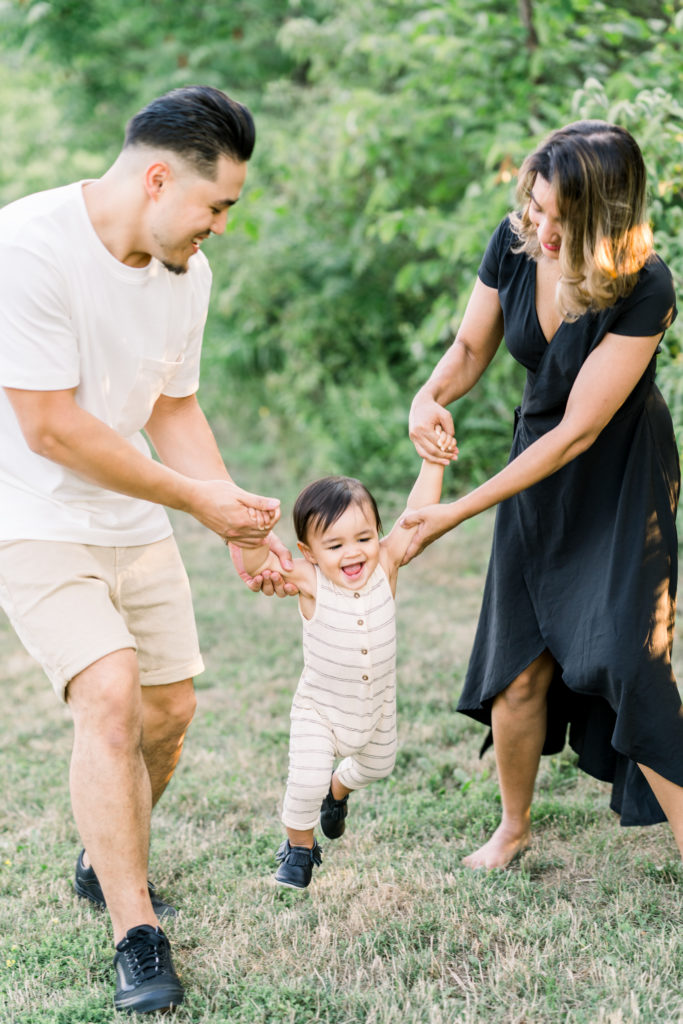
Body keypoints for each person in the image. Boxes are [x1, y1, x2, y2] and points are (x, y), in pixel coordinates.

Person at [0, 86, 290, 1014]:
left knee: (171, 712)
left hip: (134, 519)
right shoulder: (28, 247)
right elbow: (49, 428)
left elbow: (173, 407)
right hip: (34, 512)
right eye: (216, 206)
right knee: (113, 696)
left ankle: (102, 849)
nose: (219, 227)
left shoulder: (185, 275)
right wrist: (195, 501)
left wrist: (235, 523)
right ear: (159, 178)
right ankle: (136, 929)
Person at [402, 119, 683, 870]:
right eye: (534, 206)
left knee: (631, 659)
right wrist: (428, 397)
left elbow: (578, 434)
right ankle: (513, 827)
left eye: (561, 218)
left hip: (618, 476)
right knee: (519, 661)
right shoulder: (517, 240)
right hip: (534, 473)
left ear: (609, 216)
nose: (541, 227)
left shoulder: (645, 284)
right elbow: (469, 348)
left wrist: (453, 512)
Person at [234, 445, 452, 888]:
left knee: (378, 767)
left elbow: (416, 518)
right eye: (334, 545)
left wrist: (433, 462)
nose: (353, 554)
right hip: (321, 709)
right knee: (305, 781)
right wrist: (251, 534)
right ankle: (299, 848)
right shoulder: (310, 581)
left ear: (376, 534)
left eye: (364, 538)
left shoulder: (385, 565)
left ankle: (340, 791)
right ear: (309, 551)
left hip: (375, 706)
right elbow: (260, 564)